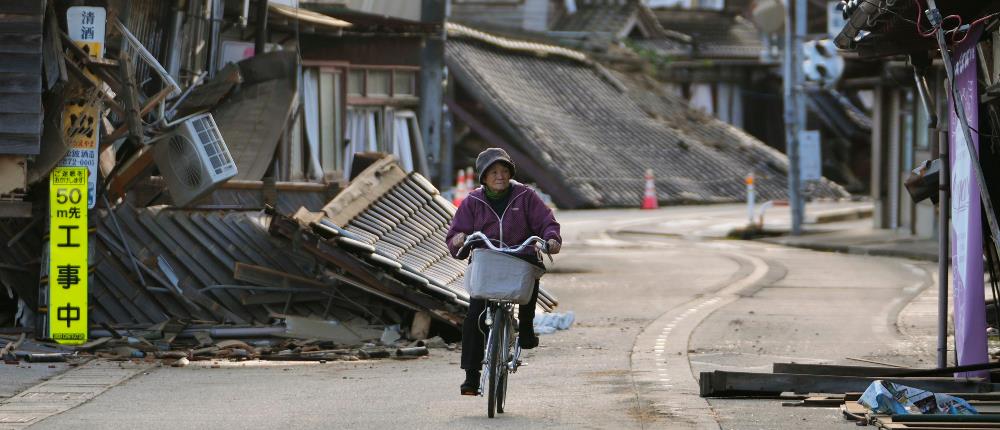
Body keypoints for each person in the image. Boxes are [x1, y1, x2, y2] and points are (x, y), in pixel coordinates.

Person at [446, 148, 562, 396]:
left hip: (520, 256)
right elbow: (456, 232)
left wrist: (551, 239)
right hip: (487, 262)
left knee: (531, 276)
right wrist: (458, 240)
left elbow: (546, 222)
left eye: (504, 171)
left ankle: (527, 329)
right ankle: (471, 376)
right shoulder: (473, 202)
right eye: (494, 172)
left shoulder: (525, 196)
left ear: (510, 173)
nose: (500, 176)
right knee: (474, 317)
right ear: (484, 178)